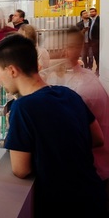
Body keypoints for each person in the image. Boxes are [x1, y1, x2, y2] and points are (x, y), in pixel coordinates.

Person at [0, 34, 105, 216]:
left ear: (12, 70)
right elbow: (98, 139)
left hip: (60, 206)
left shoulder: (22, 107)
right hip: (94, 196)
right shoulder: (68, 93)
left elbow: (21, 170)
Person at [42, 25, 109, 208]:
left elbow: (69, 139)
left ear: (65, 51)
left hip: (89, 176)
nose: (45, 56)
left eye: (49, 50)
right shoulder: (66, 77)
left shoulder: (83, 88)